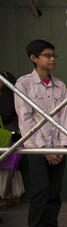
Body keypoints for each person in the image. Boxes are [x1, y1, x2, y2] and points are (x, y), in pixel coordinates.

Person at [14, 40, 67, 227]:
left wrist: (62, 147)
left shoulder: (61, 86)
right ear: (34, 58)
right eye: (47, 55)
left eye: (54, 55)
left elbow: (65, 116)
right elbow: (25, 119)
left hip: (58, 148)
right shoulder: (24, 84)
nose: (52, 59)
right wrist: (44, 150)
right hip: (37, 149)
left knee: (54, 193)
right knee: (39, 194)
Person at [0, 71, 25, 210]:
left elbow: (6, 114)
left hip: (10, 136)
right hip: (11, 136)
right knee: (9, 169)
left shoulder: (8, 97)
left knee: (9, 169)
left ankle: (10, 196)